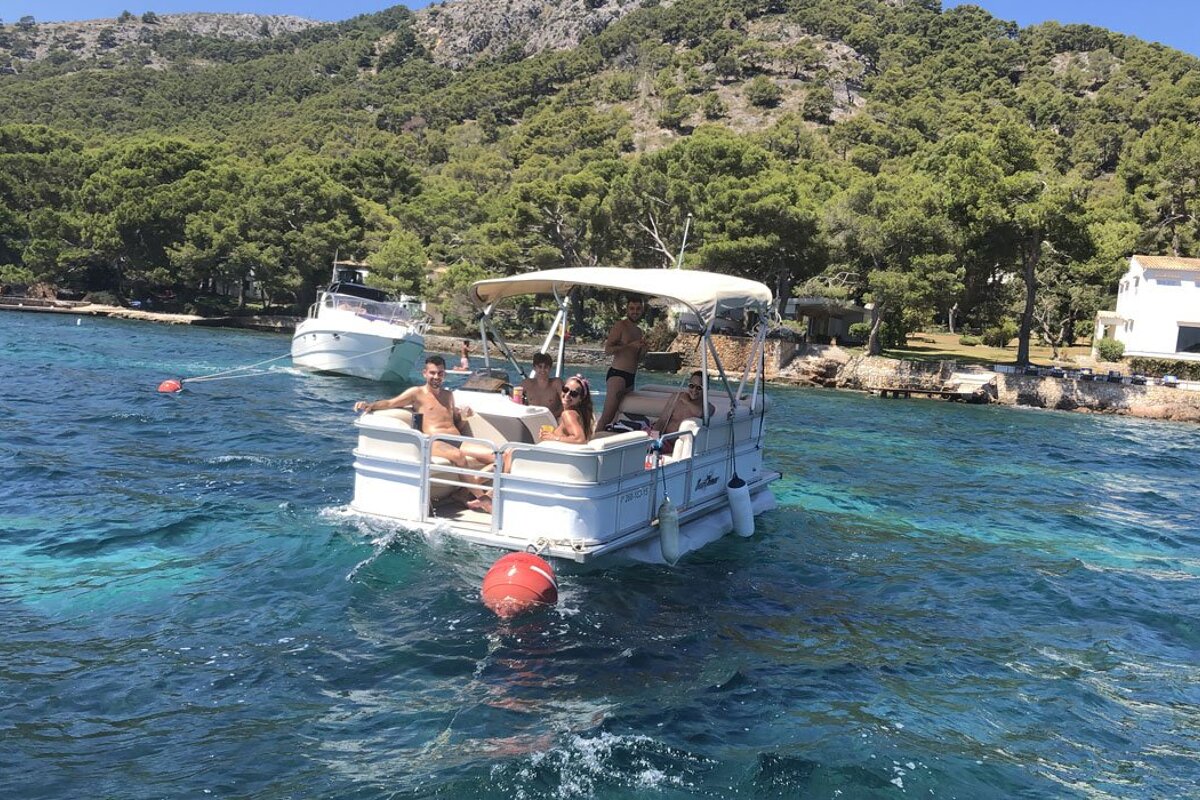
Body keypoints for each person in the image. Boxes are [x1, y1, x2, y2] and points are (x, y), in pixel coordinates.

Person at [354, 355, 490, 488]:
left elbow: (456, 424)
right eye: (432, 373)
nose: (436, 377)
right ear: (424, 373)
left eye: (440, 373)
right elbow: (391, 403)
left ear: (445, 375)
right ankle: (483, 500)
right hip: (435, 442)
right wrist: (370, 405)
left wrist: (465, 417)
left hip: (458, 440)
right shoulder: (416, 393)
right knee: (458, 456)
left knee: (500, 456)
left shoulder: (449, 395)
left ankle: (466, 491)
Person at [468, 375, 595, 513]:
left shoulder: (568, 414)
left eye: (574, 393)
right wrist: (553, 436)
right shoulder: (580, 414)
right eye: (565, 389)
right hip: (560, 460)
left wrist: (554, 437)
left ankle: (488, 493)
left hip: (552, 463)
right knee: (507, 453)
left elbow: (579, 439)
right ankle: (485, 493)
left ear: (581, 398)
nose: (567, 395)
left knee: (511, 453)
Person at [595, 295, 648, 432]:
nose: (634, 311)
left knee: (618, 416)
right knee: (607, 415)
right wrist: (630, 346)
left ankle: (608, 442)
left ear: (642, 310)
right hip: (617, 375)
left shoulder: (639, 331)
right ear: (627, 309)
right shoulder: (620, 326)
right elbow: (608, 350)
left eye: (638, 309)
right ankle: (593, 442)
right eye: (632, 308)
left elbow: (638, 359)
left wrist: (644, 350)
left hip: (631, 377)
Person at [654, 371, 715, 451]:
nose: (694, 390)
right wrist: (654, 440)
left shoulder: (708, 408)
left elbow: (699, 412)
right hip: (662, 440)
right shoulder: (676, 398)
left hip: (676, 447)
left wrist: (686, 401)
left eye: (699, 387)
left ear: (706, 389)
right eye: (691, 386)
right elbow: (662, 421)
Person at [517, 352, 564, 419]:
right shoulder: (526, 384)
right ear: (534, 368)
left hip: (552, 420)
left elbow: (566, 403)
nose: (543, 370)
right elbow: (514, 400)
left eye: (546, 367)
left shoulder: (556, 383)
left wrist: (553, 416)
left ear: (550, 368)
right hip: (531, 420)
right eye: (540, 366)